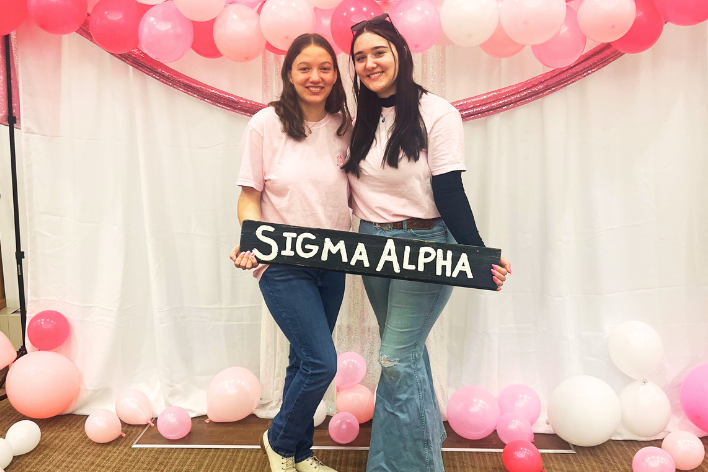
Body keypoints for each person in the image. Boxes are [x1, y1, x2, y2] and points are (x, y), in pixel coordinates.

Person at [343, 14, 512, 472]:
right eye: (360, 57)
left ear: (400, 53)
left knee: (395, 359)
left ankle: (403, 466)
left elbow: (450, 191)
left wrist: (476, 254)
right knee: (405, 353)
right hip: (372, 244)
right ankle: (424, 441)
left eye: (379, 52)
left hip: (426, 245)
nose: (370, 63)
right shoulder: (362, 119)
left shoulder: (438, 113)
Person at [230, 33, 351, 472]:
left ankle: (300, 455)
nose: (315, 76)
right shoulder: (265, 124)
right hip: (281, 262)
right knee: (322, 363)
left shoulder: (344, 124)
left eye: (324, 68)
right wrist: (251, 238)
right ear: (288, 74)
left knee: (303, 360)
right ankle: (279, 441)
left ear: (335, 74)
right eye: (304, 67)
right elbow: (249, 197)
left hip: (334, 262)